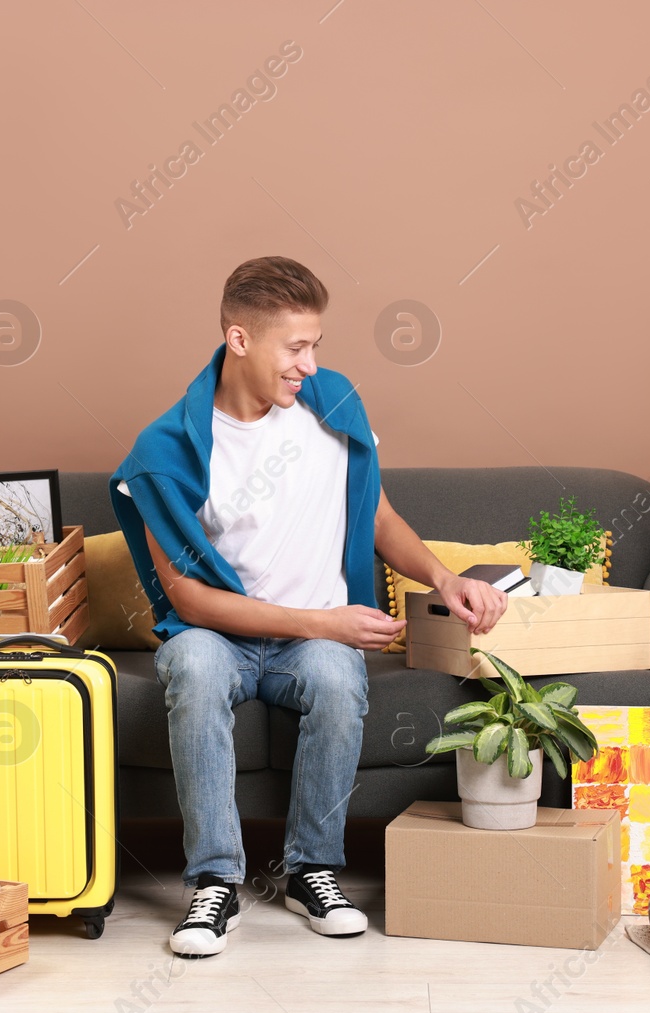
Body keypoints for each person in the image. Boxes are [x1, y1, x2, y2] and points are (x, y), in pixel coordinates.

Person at [111, 256, 506, 958]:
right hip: (219, 633)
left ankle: (311, 869)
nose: (310, 364)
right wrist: (324, 621)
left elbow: (377, 517)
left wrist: (444, 579)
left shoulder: (333, 405)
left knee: (333, 674)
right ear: (239, 341)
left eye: (316, 344)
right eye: (294, 347)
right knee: (195, 669)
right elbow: (187, 596)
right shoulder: (164, 449)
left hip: (313, 644)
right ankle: (215, 882)